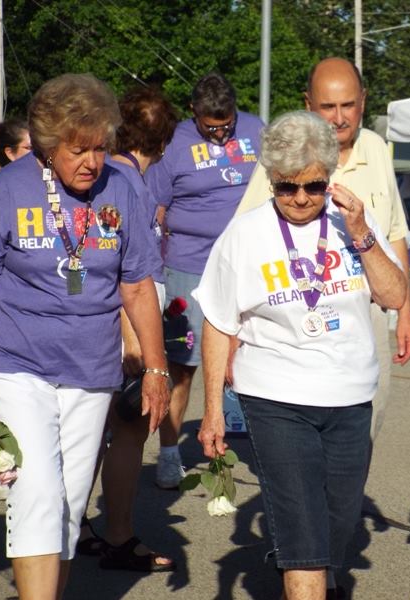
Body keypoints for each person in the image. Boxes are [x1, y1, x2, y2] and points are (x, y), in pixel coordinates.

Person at [0, 73, 170, 600]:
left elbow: (138, 285)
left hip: (91, 368)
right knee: (37, 491)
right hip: (14, 361)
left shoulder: (121, 189)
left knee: (69, 502)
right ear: (49, 146)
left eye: (99, 148)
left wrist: (157, 368)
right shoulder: (7, 190)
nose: (92, 162)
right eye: (79, 150)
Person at [195, 110, 406, 600]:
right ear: (271, 179)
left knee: (338, 525)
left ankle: (305, 568)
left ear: (329, 177)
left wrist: (362, 233)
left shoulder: (351, 223)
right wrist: (212, 412)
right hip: (276, 397)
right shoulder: (245, 234)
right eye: (287, 187)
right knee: (305, 538)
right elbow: (219, 323)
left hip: (350, 396)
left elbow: (394, 296)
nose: (301, 198)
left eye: (314, 186)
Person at [236, 57, 410, 442]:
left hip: (367, 311)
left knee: (368, 422)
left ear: (363, 101)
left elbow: (395, 234)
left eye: (348, 105)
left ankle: (348, 484)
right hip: (296, 313)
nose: (338, 118)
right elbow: (243, 239)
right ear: (308, 103)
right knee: (303, 433)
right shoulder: (284, 153)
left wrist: (406, 314)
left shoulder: (376, 149)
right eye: (327, 106)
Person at [76, 86, 179, 571]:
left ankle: (74, 525)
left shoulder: (110, 177)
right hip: (128, 318)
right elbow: (125, 272)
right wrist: (138, 343)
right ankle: (118, 535)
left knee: (94, 430)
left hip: (109, 314)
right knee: (127, 430)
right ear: (163, 141)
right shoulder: (128, 183)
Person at [145, 72, 263, 489]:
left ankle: (261, 451)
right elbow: (155, 210)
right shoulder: (174, 143)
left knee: (256, 361)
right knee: (183, 366)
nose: (221, 134)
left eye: (227, 125)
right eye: (211, 128)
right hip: (189, 267)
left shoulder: (257, 130)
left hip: (249, 265)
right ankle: (169, 452)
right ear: (193, 113)